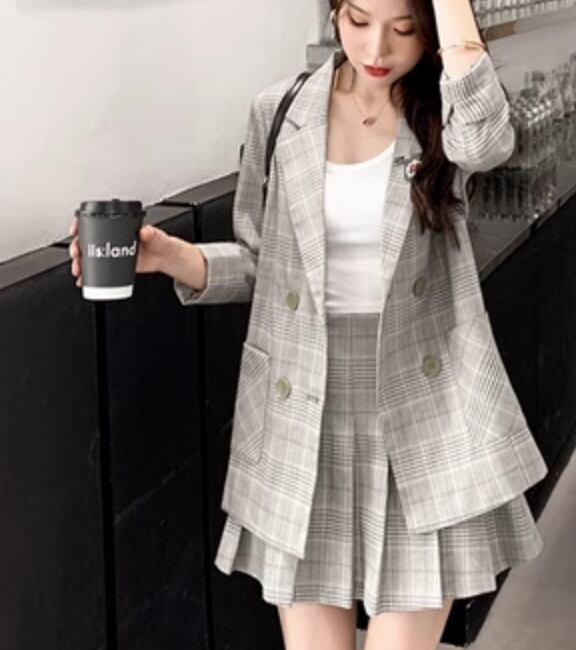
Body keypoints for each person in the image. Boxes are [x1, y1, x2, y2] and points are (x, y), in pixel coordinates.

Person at [69, 0, 549, 648]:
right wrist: (170, 256)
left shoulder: (446, 110)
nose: (376, 47)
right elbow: (261, 263)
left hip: (424, 410)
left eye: (404, 29)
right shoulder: (281, 111)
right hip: (305, 415)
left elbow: (489, 144)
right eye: (358, 20)